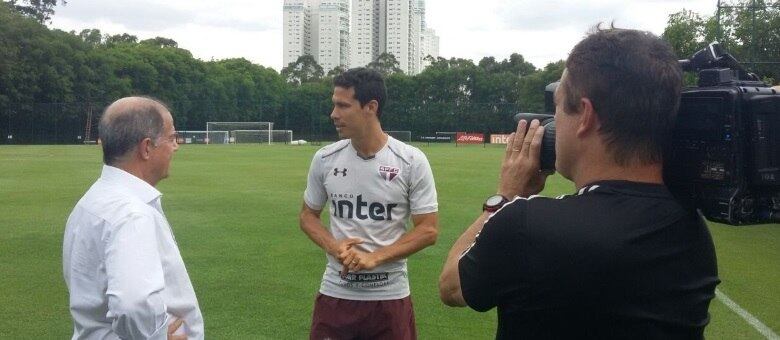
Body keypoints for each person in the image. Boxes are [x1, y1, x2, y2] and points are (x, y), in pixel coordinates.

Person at [439, 27, 720, 339]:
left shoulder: (526, 225)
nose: (552, 122)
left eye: (557, 107)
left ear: (585, 116)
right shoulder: (692, 228)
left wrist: (505, 195)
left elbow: (451, 287)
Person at [300, 67, 439, 340]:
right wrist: (333, 245)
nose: (334, 114)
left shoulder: (410, 160)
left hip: (389, 298)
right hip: (336, 293)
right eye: (334, 105)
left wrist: (374, 258)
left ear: (370, 107)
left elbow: (428, 230)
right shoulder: (325, 159)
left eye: (343, 105)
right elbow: (307, 216)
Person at [63, 97, 204, 340]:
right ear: (146, 147)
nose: (176, 146)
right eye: (171, 138)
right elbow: (133, 303)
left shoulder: (92, 200)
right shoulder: (131, 214)